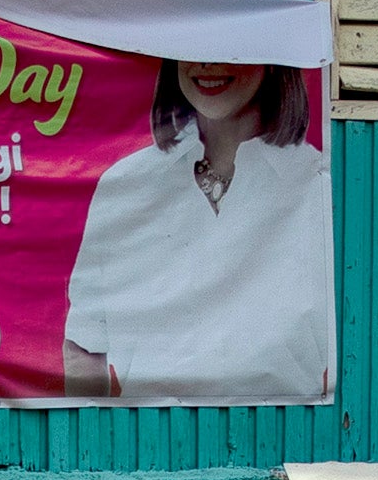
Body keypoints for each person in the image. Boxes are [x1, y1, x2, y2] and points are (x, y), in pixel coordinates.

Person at [59, 60, 332, 404]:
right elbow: (86, 345)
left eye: (229, 45)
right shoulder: (126, 185)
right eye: (194, 46)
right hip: (152, 442)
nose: (207, 63)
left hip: (285, 439)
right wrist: (96, 447)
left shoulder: (318, 185)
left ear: (273, 62)